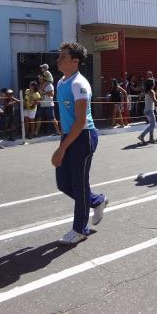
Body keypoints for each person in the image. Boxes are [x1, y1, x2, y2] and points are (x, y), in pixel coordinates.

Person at [52, 42, 108, 245]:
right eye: (59, 56)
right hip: (69, 135)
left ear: (75, 61)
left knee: (79, 183)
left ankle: (80, 229)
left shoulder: (80, 84)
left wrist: (62, 148)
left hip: (83, 136)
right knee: (63, 183)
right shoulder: (61, 82)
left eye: (63, 56)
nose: (58, 59)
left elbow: (81, 120)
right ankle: (96, 200)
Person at [138, 78, 157, 144]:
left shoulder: (147, 91)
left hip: (147, 110)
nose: (155, 84)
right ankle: (142, 136)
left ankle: (151, 138)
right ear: (152, 84)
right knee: (153, 125)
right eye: (154, 82)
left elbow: (141, 96)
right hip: (149, 110)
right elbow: (154, 100)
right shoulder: (151, 91)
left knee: (152, 124)